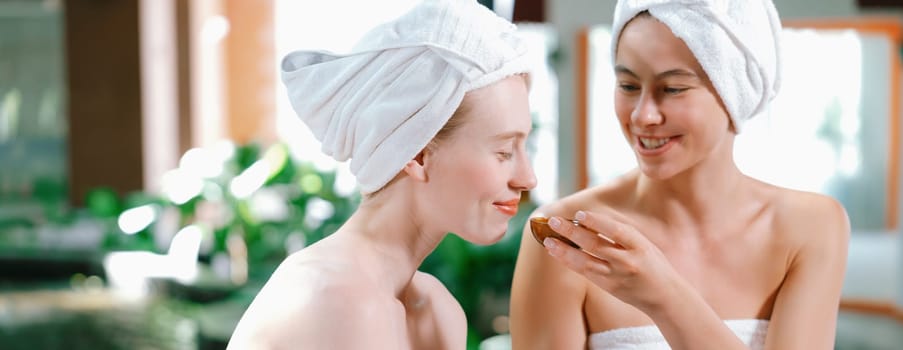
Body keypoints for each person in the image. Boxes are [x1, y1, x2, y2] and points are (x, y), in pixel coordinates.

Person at [509, 0, 850, 349]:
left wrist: (663, 296)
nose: (643, 116)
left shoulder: (811, 227)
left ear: (736, 91)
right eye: (628, 86)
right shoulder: (567, 235)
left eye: (672, 89)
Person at [226, 0, 537, 349]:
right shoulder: (341, 301)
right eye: (504, 153)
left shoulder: (437, 308)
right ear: (417, 155)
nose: (527, 178)